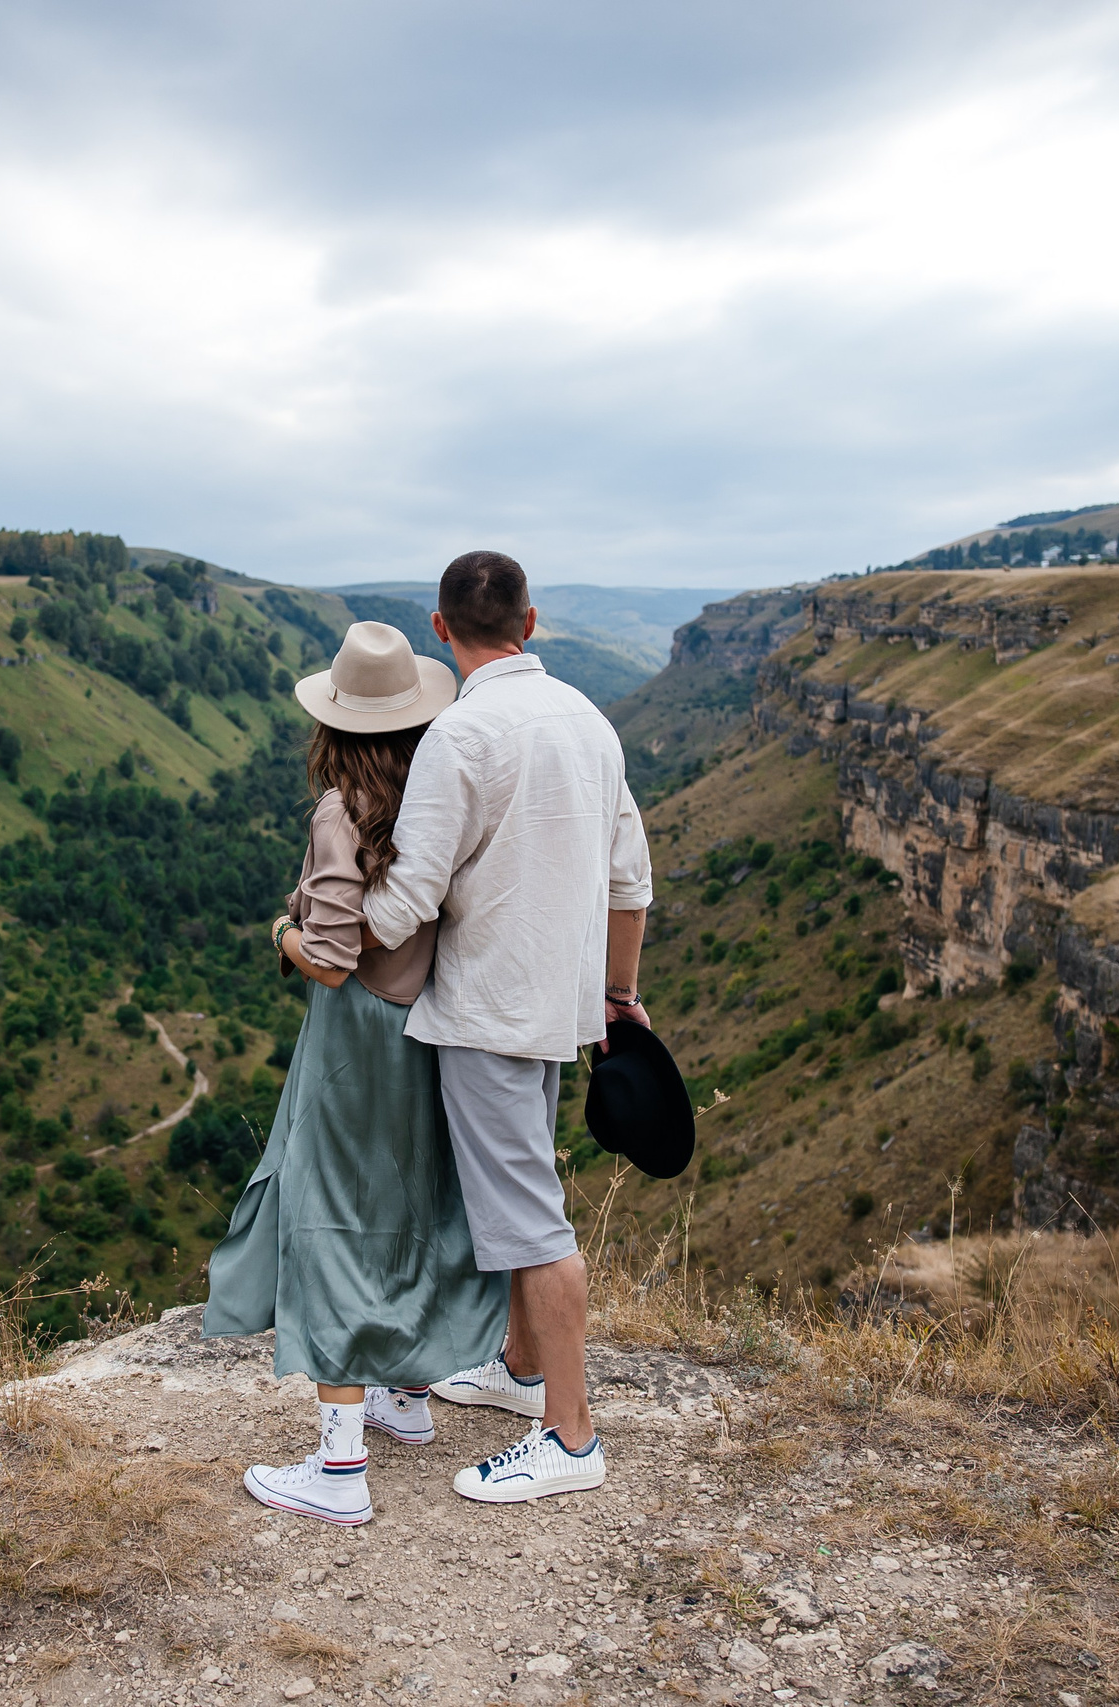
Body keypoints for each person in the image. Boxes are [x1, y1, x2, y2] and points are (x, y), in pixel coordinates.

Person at [201, 620, 511, 1526]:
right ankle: (405, 1395)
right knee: (412, 1201)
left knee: (332, 1214)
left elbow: (333, 956)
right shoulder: (437, 794)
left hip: (358, 1039)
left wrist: (280, 933)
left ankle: (339, 1466)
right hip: (432, 1024)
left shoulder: (340, 810)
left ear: (333, 725)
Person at [362, 549, 653, 1504]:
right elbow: (629, 879)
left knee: (531, 1220)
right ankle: (521, 1370)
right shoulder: (592, 722)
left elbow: (412, 891)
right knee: (527, 1183)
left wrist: (321, 935)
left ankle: (569, 1438)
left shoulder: (460, 733)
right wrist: (618, 995)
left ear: (441, 633)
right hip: (560, 1005)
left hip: (488, 1007)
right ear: (531, 625)